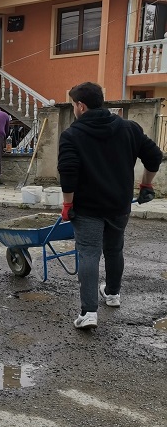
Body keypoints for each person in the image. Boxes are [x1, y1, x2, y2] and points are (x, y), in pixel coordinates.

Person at [58, 82, 162, 330]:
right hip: (119, 205)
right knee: (114, 250)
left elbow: (68, 172)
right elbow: (155, 156)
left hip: (88, 208)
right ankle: (113, 294)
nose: (74, 109)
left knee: (89, 253)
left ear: (81, 106)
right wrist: (146, 185)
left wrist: (67, 204)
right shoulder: (129, 128)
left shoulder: (72, 135)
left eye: (74, 104)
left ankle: (89, 313)